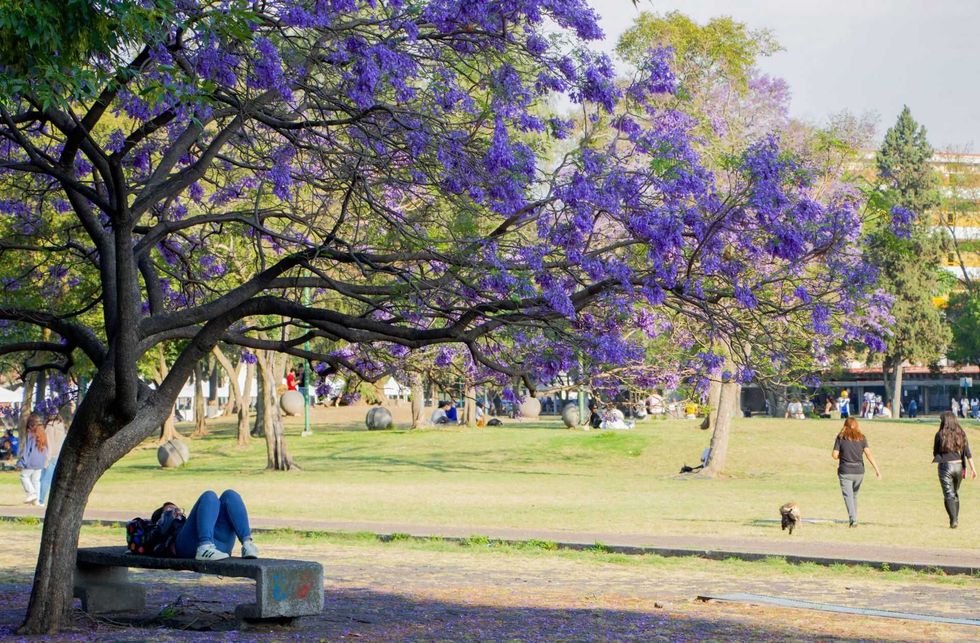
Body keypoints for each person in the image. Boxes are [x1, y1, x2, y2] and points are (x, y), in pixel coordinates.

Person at [151, 490, 259, 560]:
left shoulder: (188, 523)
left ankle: (247, 544)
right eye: (170, 510)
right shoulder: (161, 530)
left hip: (220, 547)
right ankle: (204, 547)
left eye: (177, 509)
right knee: (209, 496)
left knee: (230, 495)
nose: (177, 511)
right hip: (191, 547)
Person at [832, 417, 881, 527]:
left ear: (845, 425)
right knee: (854, 495)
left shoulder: (840, 438)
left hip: (845, 471)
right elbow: (869, 454)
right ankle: (854, 517)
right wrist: (877, 470)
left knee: (848, 496)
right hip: (859, 472)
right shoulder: (862, 438)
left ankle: (853, 520)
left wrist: (843, 455)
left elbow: (834, 455)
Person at [932, 411, 978, 529]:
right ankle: (955, 519)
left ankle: (954, 520)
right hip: (958, 466)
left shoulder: (940, 434)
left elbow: (935, 452)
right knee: (955, 493)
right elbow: (967, 453)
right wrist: (972, 469)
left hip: (945, 466)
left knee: (949, 494)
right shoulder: (961, 434)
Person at [16, 414, 47, 505]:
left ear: (30, 424)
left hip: (31, 461)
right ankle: (36, 501)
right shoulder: (43, 434)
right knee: (36, 480)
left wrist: (22, 462)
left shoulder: (30, 435)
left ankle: (31, 493)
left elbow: (27, 450)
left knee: (23, 476)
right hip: (40, 461)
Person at [38, 413, 68, 507]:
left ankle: (40, 500)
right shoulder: (61, 424)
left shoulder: (50, 426)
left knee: (44, 479)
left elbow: (49, 444)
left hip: (51, 455)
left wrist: (47, 458)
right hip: (60, 455)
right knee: (53, 480)